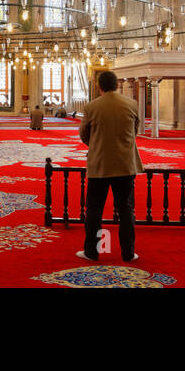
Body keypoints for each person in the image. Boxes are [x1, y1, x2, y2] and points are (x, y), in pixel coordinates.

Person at [77, 70, 143, 263]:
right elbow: (135, 130)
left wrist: (97, 145)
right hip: (125, 164)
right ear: (116, 85)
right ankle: (128, 253)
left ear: (99, 87)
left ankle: (92, 252)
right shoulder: (132, 104)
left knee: (95, 211)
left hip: (100, 164)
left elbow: (83, 134)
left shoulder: (92, 107)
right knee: (126, 210)